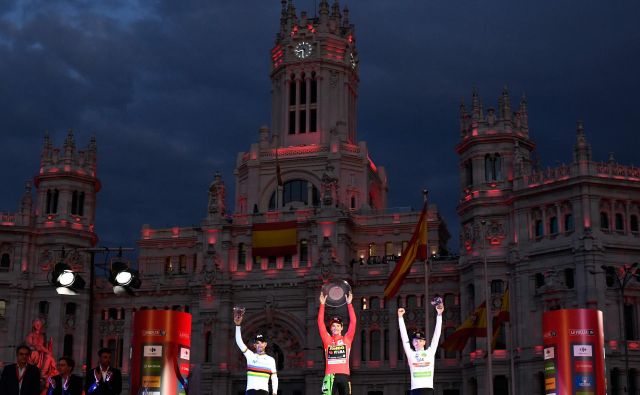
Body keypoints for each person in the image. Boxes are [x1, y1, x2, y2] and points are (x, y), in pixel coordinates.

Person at [397, 302, 444, 395]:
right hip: (415, 390)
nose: (417, 342)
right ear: (412, 343)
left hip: (428, 389)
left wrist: (439, 315)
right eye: (415, 340)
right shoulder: (411, 354)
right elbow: (404, 337)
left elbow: (437, 335)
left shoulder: (430, 352)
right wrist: (400, 318)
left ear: (424, 342)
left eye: (420, 340)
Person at [317, 291, 356, 395]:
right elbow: (320, 323)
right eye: (333, 326)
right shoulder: (327, 339)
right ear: (330, 328)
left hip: (344, 375)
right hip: (329, 376)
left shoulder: (347, 339)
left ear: (342, 328)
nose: (335, 328)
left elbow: (353, 322)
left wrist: (349, 304)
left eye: (338, 326)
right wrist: (322, 304)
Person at [234, 312, 278, 395]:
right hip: (250, 392)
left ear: (265, 344)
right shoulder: (250, 356)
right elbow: (239, 342)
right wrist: (238, 325)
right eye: (257, 343)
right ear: (254, 345)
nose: (260, 345)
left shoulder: (270, 360)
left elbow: (274, 377)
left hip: (264, 392)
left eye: (262, 342)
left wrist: (275, 393)